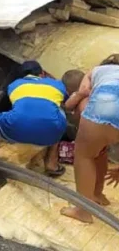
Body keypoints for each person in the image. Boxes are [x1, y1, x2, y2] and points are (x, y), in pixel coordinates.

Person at [0, 61, 68, 184]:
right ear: (43, 73)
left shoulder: (14, 85)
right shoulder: (57, 84)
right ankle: (52, 164)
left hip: (16, 128)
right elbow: (67, 102)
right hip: (50, 132)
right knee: (56, 114)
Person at [61, 55, 119, 223]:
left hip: (103, 110)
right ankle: (97, 194)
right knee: (100, 152)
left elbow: (81, 95)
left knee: (84, 156)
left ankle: (83, 211)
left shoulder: (95, 71)